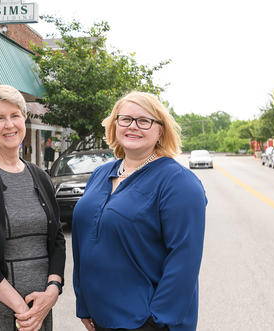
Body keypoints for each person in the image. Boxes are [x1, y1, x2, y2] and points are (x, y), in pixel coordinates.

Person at [72, 91, 207, 331]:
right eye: (125, 119)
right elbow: (82, 243)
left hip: (145, 323)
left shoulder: (179, 183)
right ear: (114, 125)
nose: (133, 126)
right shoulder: (100, 174)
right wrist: (83, 303)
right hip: (100, 318)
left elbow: (184, 260)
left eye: (144, 121)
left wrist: (156, 321)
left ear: (160, 130)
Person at [0, 83, 66, 331]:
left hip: (39, 307)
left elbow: (57, 239)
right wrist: (20, 306)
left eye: (15, 116)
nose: (9, 125)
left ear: (24, 120)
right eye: (0, 118)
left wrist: (52, 290)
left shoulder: (40, 176)